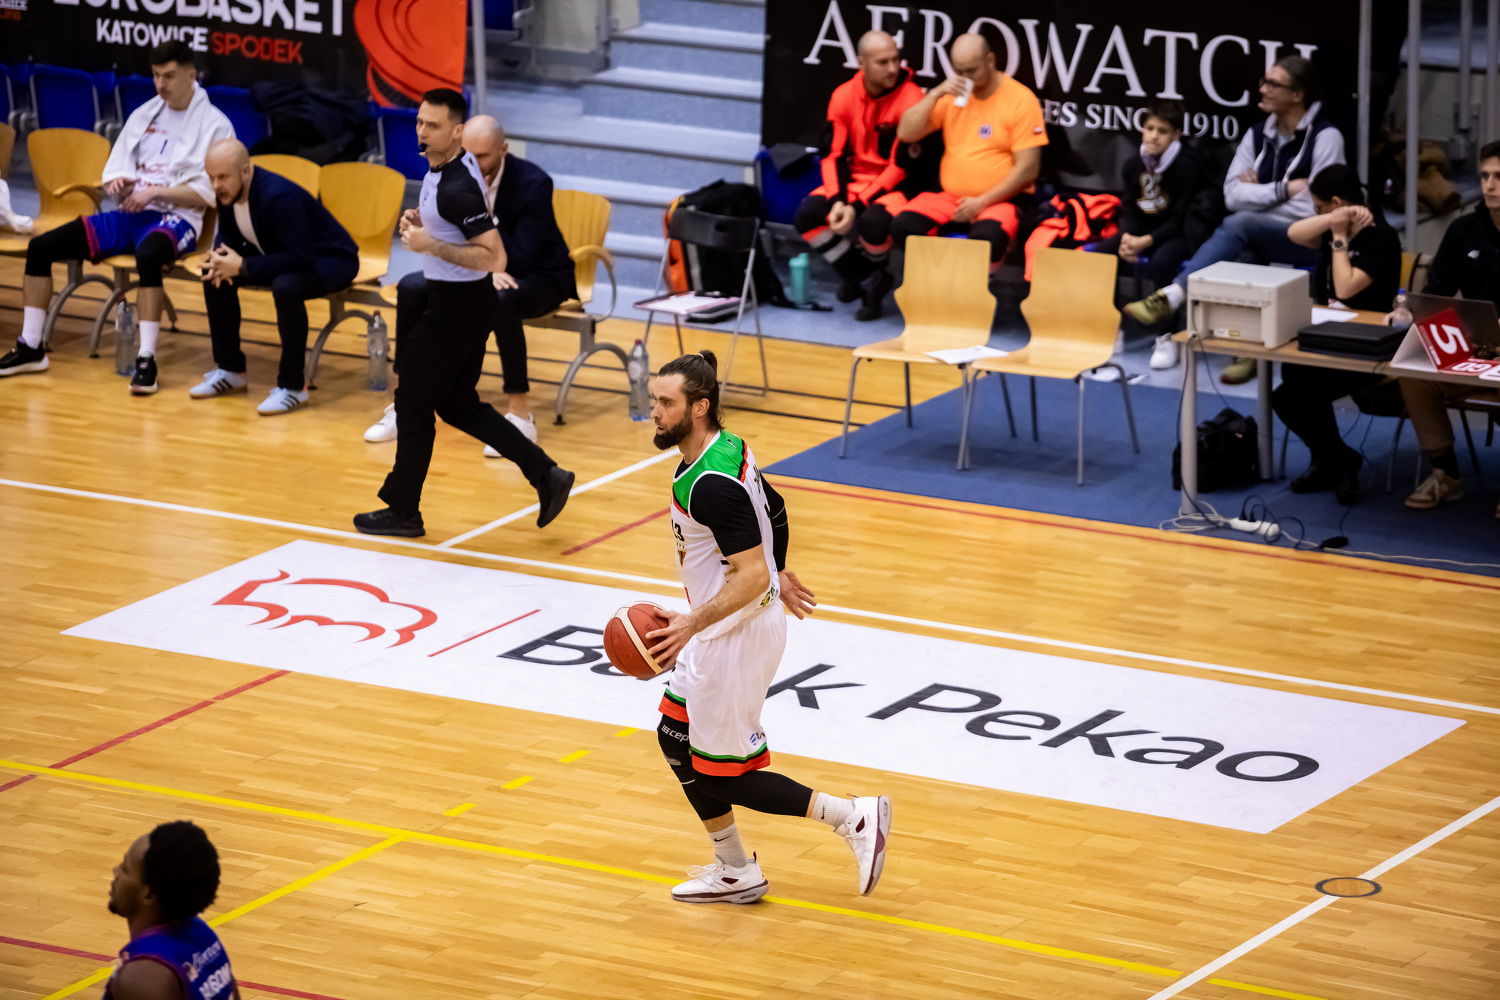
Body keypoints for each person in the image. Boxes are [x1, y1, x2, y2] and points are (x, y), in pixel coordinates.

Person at [644, 350, 890, 903]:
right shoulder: (728, 447)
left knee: (721, 774)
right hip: (722, 627)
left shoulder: (709, 483)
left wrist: (694, 620)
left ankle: (851, 816)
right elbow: (773, 507)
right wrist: (776, 566)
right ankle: (735, 869)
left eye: (665, 403)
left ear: (699, 407)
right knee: (674, 738)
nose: (653, 411)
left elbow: (750, 576)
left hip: (733, 633)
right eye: (654, 400)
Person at [354, 89, 574, 538]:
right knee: (457, 404)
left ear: (456, 132)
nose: (421, 131)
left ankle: (403, 511)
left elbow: (495, 256)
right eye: (419, 122)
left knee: (412, 404)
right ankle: (546, 474)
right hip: (465, 304)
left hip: (457, 309)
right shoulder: (448, 167)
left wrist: (430, 244)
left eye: (432, 126)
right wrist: (425, 221)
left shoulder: (458, 187)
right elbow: (456, 219)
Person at [1, 41, 234, 389]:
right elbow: (116, 170)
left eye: (169, 76)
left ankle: (146, 359)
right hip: (130, 214)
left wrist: (155, 192)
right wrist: (120, 185)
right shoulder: (145, 114)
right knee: (40, 248)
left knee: (149, 255)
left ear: (192, 75)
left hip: (179, 219)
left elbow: (210, 193)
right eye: (156, 75)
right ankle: (31, 347)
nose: (161, 84)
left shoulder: (216, 125)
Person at [1124, 56, 1344, 380]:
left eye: (1273, 84)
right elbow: (1232, 195)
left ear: (1297, 95)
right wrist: (1283, 190)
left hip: (1309, 239)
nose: (1263, 89)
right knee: (1245, 250)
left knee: (1241, 223)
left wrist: (1257, 197)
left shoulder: (1326, 137)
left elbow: (1315, 207)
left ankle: (1174, 294)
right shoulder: (1256, 134)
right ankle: (1248, 348)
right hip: (1263, 236)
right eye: (1264, 81)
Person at [193, 139, 360, 414]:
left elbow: (301, 258)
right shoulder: (228, 193)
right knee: (213, 272)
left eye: (222, 177)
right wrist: (221, 256)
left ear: (246, 172)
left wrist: (244, 266)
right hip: (284, 252)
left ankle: (293, 389)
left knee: (286, 287)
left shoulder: (278, 197)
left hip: (331, 260)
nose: (216, 185)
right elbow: (228, 233)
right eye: (211, 177)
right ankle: (231, 370)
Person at [1269, 164, 1402, 505]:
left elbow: (1345, 288)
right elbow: (1294, 233)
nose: (1317, 215)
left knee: (1297, 392)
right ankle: (1338, 460)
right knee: (1288, 384)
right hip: (1327, 336)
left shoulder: (1380, 237)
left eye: (1320, 208)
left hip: (1370, 346)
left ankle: (1334, 463)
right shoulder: (1331, 226)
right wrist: (1336, 219)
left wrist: (1340, 236)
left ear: (1336, 202)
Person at [1396, 139, 1500, 514]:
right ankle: (1447, 474)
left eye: (1498, 177)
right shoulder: (1463, 230)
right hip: (1476, 347)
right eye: (1484, 176)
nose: (1489, 185)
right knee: (1414, 373)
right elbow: (1435, 294)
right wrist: (1410, 311)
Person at [792, 30, 924, 322]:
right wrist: (838, 200)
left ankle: (865, 283)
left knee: (873, 224)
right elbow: (833, 154)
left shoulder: (912, 98)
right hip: (855, 181)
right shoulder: (843, 95)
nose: (893, 68)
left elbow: (900, 168)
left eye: (896, 59)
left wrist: (856, 206)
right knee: (806, 215)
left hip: (896, 186)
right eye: (883, 62)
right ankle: (867, 278)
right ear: (861, 62)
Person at [892, 33, 1046, 274]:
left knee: (988, 240)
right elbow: (906, 133)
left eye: (971, 70)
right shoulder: (953, 96)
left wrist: (982, 202)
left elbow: (1029, 168)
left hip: (1000, 199)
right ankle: (938, 282)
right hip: (951, 197)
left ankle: (975, 289)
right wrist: (935, 94)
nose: (965, 77)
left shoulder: (1020, 99)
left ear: (990, 61)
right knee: (903, 226)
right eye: (959, 71)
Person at [1091, 100, 1207, 369]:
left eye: (1162, 131)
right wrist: (1128, 239)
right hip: (1141, 232)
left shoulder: (1188, 166)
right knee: (1103, 254)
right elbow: (1129, 209)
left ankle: (1165, 337)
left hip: (1177, 234)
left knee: (1163, 262)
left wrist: (1147, 241)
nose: (1154, 136)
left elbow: (1182, 217)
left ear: (1176, 135)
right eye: (1149, 128)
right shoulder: (1133, 164)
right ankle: (1111, 327)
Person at [103, 821, 240, 1000]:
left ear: (148, 894)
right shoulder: (203, 935)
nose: (116, 871)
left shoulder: (143, 978)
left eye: (125, 868)